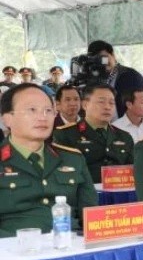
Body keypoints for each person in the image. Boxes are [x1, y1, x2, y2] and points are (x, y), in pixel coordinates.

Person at [0, 83, 97, 237]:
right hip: (13, 251)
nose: (42, 117)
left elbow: (90, 214)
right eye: (32, 110)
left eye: (48, 111)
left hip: (69, 246)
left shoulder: (72, 159)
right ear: (7, 119)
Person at [53, 84, 135, 183]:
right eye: (101, 102)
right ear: (85, 105)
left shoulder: (124, 137)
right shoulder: (66, 134)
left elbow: (133, 171)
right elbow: (64, 174)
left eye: (111, 103)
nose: (107, 107)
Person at [87, 40, 143, 117]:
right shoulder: (93, 79)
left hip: (125, 125)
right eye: (98, 60)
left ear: (113, 55)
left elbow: (139, 104)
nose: (103, 63)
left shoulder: (131, 76)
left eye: (104, 58)